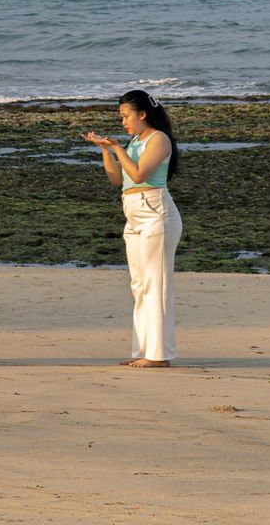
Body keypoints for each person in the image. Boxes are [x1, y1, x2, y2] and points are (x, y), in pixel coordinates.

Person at [83, 90, 182, 368]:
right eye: (121, 117)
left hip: (155, 213)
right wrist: (106, 150)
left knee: (156, 283)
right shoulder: (135, 141)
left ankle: (159, 354)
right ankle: (143, 350)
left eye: (127, 116)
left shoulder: (158, 139)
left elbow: (139, 174)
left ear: (143, 114)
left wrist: (117, 148)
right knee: (139, 285)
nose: (124, 121)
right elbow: (117, 178)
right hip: (134, 213)